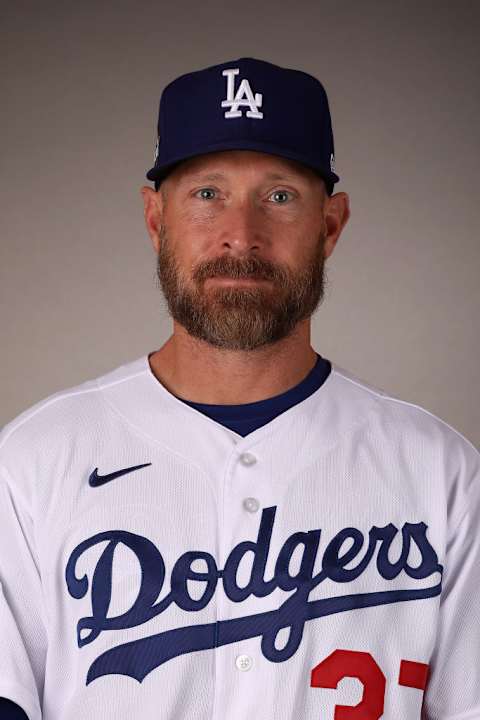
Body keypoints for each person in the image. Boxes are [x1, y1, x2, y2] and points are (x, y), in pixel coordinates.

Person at [0, 56, 479, 720]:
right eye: (207, 193)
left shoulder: (441, 473)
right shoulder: (30, 465)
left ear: (330, 225)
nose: (241, 236)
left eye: (279, 196)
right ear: (155, 218)